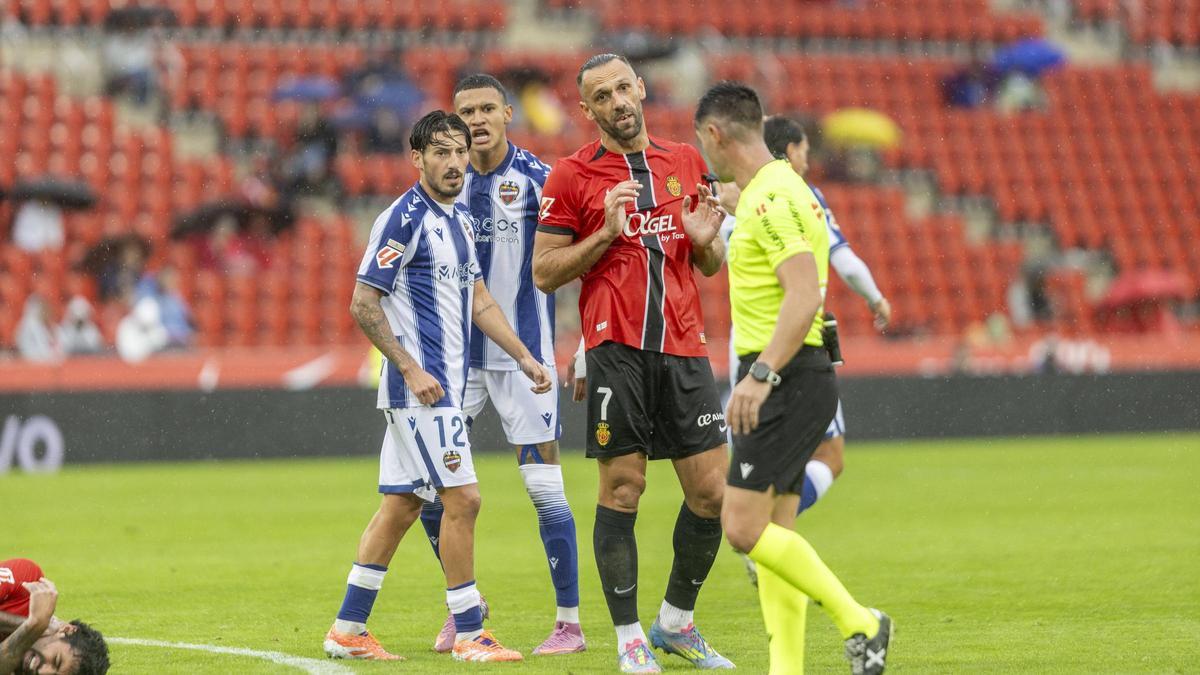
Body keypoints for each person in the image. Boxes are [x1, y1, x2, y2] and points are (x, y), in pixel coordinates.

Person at [322, 110, 551, 664]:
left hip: (435, 388)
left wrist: (523, 356)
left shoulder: (460, 220)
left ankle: (348, 630)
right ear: (417, 158)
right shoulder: (403, 218)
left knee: (400, 507)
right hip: (425, 391)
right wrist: (408, 367)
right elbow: (362, 301)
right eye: (441, 153)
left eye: (459, 152)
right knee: (465, 499)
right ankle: (471, 632)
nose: (453, 163)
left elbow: (480, 300)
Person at [533, 53, 733, 673]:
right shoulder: (571, 175)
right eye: (602, 94)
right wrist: (605, 235)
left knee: (712, 493)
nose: (617, 100)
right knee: (624, 489)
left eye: (623, 87)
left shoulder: (685, 163)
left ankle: (675, 622)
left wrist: (706, 244)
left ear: (641, 88)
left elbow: (705, 262)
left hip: (684, 348)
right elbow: (544, 273)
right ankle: (628, 640)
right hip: (614, 349)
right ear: (587, 109)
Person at [694, 81, 892, 675]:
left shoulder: (770, 198)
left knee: (741, 528)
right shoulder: (781, 188)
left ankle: (862, 621)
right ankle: (787, 669)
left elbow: (803, 295)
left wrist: (757, 376)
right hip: (799, 372)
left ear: (715, 135)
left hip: (784, 376)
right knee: (775, 530)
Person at [408, 73, 584, 657]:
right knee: (434, 493)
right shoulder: (442, 189)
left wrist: (582, 344)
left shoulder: (540, 181)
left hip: (524, 362)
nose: (477, 119)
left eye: (487, 108)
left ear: (509, 113)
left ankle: (568, 624)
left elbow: (583, 264)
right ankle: (467, 609)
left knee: (545, 491)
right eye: (465, 112)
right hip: (457, 365)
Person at [752, 115, 892, 515]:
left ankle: (757, 530)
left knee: (767, 456)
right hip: (796, 340)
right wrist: (876, 299)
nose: (809, 162)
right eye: (806, 152)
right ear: (792, 151)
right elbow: (844, 261)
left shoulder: (740, 194)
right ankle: (760, 530)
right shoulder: (800, 195)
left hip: (747, 341)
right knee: (829, 455)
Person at [0, 558, 109, 675]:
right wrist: (30, 623)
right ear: (66, 630)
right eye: (56, 661)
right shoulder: (29, 587)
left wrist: (33, 626)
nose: (42, 672)